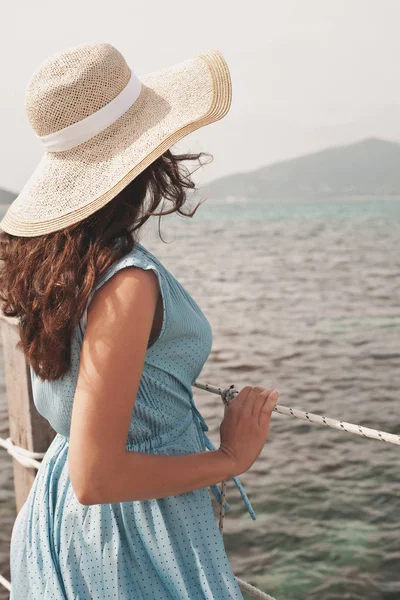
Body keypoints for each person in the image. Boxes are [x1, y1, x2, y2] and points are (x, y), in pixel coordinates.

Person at [0, 42, 279, 599]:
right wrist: (230, 458)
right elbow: (97, 477)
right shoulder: (126, 284)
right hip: (130, 534)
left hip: (59, 519)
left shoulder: (61, 269)